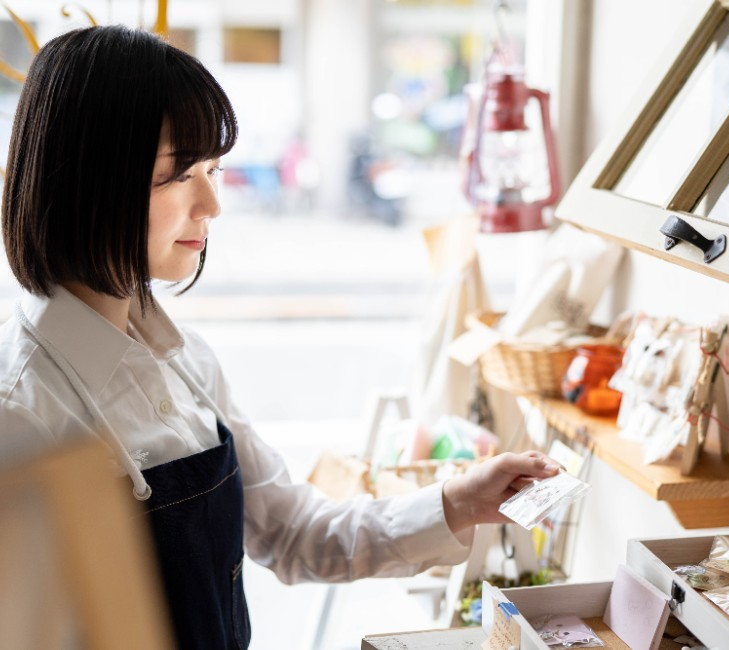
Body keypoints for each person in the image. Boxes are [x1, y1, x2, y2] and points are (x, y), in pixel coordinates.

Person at [0, 25, 560, 649]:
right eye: (181, 173)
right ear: (87, 179)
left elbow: (291, 532)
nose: (212, 202)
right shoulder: (19, 413)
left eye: (212, 169)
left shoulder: (186, 364)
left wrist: (458, 502)